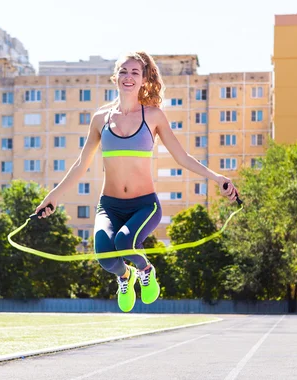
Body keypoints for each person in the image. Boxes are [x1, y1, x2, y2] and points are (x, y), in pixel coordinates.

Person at [35, 51, 239, 312]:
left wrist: (217, 177)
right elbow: (80, 165)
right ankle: (125, 276)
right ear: (115, 77)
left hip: (144, 206)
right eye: (123, 71)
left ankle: (145, 270)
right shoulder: (101, 119)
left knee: (124, 243)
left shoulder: (153, 116)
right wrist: (53, 196)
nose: (128, 77)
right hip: (109, 206)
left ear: (143, 79)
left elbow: (182, 157)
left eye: (134, 72)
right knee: (104, 256)